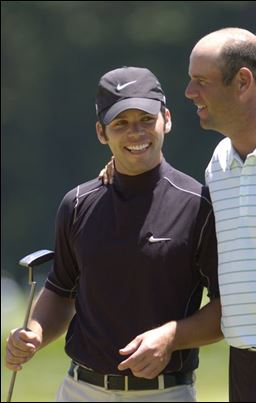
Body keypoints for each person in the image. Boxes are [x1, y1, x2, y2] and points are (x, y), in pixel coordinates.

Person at [99, 28, 256, 402]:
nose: (190, 93)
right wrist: (122, 163)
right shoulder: (219, 164)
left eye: (201, 81)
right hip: (246, 369)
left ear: (242, 81)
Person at [5, 66, 223, 402]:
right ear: (101, 132)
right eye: (120, 123)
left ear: (166, 119)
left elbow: (225, 309)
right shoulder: (77, 204)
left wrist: (171, 337)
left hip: (166, 393)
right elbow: (61, 290)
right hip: (80, 390)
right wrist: (34, 333)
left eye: (145, 120)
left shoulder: (199, 206)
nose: (135, 133)